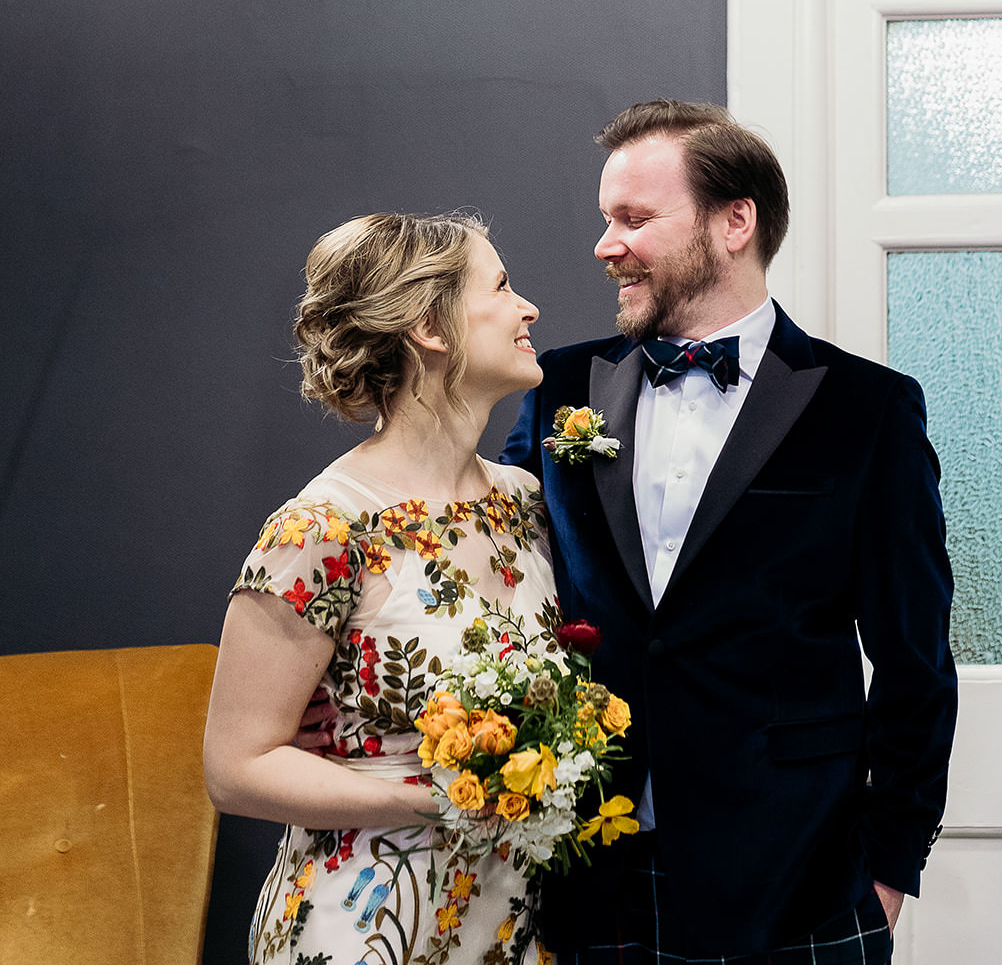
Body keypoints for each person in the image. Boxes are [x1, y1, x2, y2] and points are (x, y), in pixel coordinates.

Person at [501, 100, 957, 965]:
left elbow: (915, 664)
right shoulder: (555, 385)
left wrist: (889, 871)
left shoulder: (867, 409)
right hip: (586, 873)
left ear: (733, 221)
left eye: (634, 219)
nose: (606, 245)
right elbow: (493, 578)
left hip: (798, 883)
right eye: (607, 220)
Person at [204, 210, 556, 965]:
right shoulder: (321, 530)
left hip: (506, 926)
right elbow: (235, 768)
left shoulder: (523, 502)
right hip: (363, 928)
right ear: (431, 325)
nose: (528, 308)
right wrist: (429, 801)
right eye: (501, 286)